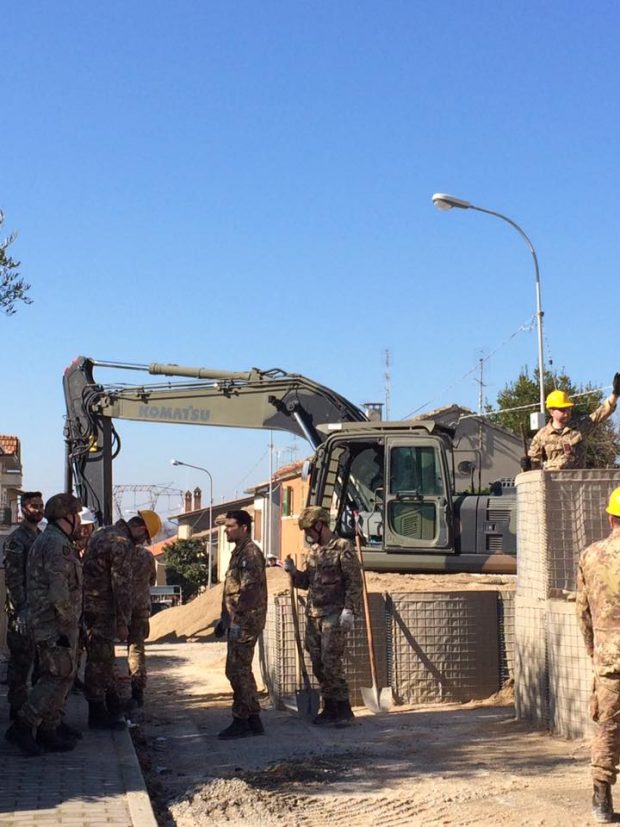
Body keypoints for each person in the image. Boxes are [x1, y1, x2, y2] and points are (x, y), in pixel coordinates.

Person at [5, 493, 83, 756]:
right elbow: (59, 590)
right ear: (66, 517)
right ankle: (23, 726)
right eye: (76, 515)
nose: (79, 520)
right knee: (54, 675)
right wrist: (67, 623)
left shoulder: (54, 539)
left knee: (64, 674)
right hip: (54, 623)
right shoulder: (54, 544)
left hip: (55, 622)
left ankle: (49, 728)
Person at [82, 509, 161, 729]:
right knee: (99, 661)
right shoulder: (122, 543)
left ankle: (109, 705)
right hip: (104, 609)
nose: (142, 543)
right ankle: (97, 714)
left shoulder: (101, 532)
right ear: (141, 530)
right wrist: (122, 622)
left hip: (89, 605)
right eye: (145, 538)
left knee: (102, 657)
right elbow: (121, 585)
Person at [284, 506, 362, 726]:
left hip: (334, 614)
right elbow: (307, 582)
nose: (307, 534)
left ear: (320, 525)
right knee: (318, 662)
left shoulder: (342, 547)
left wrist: (350, 610)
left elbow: (354, 582)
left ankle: (343, 708)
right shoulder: (314, 551)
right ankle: (330, 706)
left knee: (330, 661)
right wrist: (293, 572)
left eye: (309, 529)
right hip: (314, 615)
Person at [576, 487, 620, 823]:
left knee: (608, 726)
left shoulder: (590, 555)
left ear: (611, 519)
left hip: (609, 657)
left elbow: (583, 611)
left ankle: (601, 801)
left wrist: (594, 650)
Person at [215, 510, 267, 740]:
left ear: (244, 527)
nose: (226, 530)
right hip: (237, 620)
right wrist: (224, 619)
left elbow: (249, 590)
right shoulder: (239, 553)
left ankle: (241, 720)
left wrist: (235, 620)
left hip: (246, 620)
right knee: (240, 669)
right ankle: (254, 719)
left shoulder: (250, 553)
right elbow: (232, 590)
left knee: (237, 669)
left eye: (230, 526)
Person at [3, 491, 44, 721]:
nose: (38, 510)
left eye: (40, 505)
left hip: (41, 611)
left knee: (41, 664)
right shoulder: (17, 540)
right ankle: (17, 712)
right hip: (23, 613)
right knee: (20, 664)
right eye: (33, 506)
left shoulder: (41, 536)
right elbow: (13, 579)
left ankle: (36, 710)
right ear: (23, 509)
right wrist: (21, 610)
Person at [525, 374, 620, 470]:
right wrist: (527, 465)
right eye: (562, 409)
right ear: (551, 412)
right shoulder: (541, 436)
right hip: (553, 479)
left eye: (568, 409)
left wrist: (615, 394)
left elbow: (600, 414)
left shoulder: (580, 426)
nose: (567, 412)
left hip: (577, 478)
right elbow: (534, 464)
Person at [127, 544, 157, 707]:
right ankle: (137, 692)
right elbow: (152, 580)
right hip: (140, 607)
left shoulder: (119, 552)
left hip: (119, 607)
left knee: (107, 650)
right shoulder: (147, 556)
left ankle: (108, 694)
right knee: (136, 648)